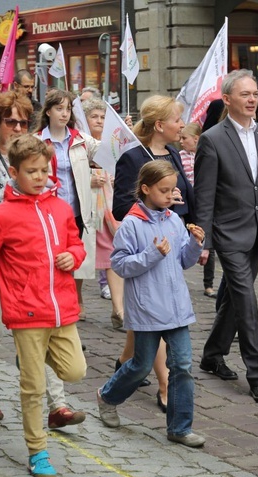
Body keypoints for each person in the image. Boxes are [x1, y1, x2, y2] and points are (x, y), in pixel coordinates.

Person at [0, 91, 85, 427]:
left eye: (24, 121)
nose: (18, 127)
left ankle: (58, 404)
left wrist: (70, 251)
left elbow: (59, 210)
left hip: (31, 259)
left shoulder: (36, 157)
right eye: (10, 121)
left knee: (45, 328)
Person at [0, 134, 87, 477]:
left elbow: (77, 244)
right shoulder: (0, 217)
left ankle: (36, 353)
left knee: (76, 371)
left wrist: (73, 256)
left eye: (44, 170)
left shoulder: (61, 208)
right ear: (14, 172)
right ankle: (38, 451)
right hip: (27, 314)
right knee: (33, 388)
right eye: (31, 171)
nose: (39, 176)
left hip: (62, 309)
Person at [97, 160, 206, 448]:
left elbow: (184, 260)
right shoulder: (131, 224)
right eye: (164, 190)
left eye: (173, 190)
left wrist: (195, 244)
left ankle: (180, 427)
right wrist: (151, 254)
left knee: (182, 365)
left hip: (177, 308)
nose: (171, 195)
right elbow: (120, 265)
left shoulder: (173, 219)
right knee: (140, 365)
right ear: (146, 189)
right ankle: (107, 397)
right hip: (147, 309)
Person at [195, 69, 258, 403]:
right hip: (228, 233)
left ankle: (212, 354)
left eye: (255, 94)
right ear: (228, 99)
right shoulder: (213, 138)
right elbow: (204, 194)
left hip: (257, 230)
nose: (252, 100)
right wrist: (203, 240)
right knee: (247, 302)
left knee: (237, 299)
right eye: (245, 94)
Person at [113, 94, 195, 408]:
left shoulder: (174, 152)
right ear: (160, 125)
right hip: (147, 244)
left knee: (145, 327)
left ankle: (125, 365)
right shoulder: (132, 158)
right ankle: (165, 386)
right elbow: (121, 205)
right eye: (177, 120)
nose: (182, 125)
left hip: (175, 241)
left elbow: (185, 193)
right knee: (156, 320)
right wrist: (154, 205)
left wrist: (193, 233)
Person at [35, 89, 100, 321]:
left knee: (76, 256)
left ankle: (73, 300)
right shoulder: (37, 141)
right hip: (50, 211)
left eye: (68, 109)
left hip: (77, 209)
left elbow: (107, 151)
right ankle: (53, 300)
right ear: (49, 111)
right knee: (53, 258)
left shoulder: (81, 139)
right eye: (59, 109)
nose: (64, 114)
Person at [82, 97, 124, 329]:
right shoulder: (79, 142)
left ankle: (118, 308)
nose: (98, 121)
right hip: (86, 205)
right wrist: (90, 177)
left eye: (102, 117)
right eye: (94, 117)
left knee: (113, 252)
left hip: (108, 205)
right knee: (81, 254)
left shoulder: (111, 143)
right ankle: (78, 303)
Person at [179, 122, 216, 298]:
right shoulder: (179, 157)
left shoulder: (207, 155)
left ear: (196, 139)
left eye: (184, 138)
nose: (181, 141)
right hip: (187, 204)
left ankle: (208, 283)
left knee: (207, 240)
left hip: (204, 203)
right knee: (183, 240)